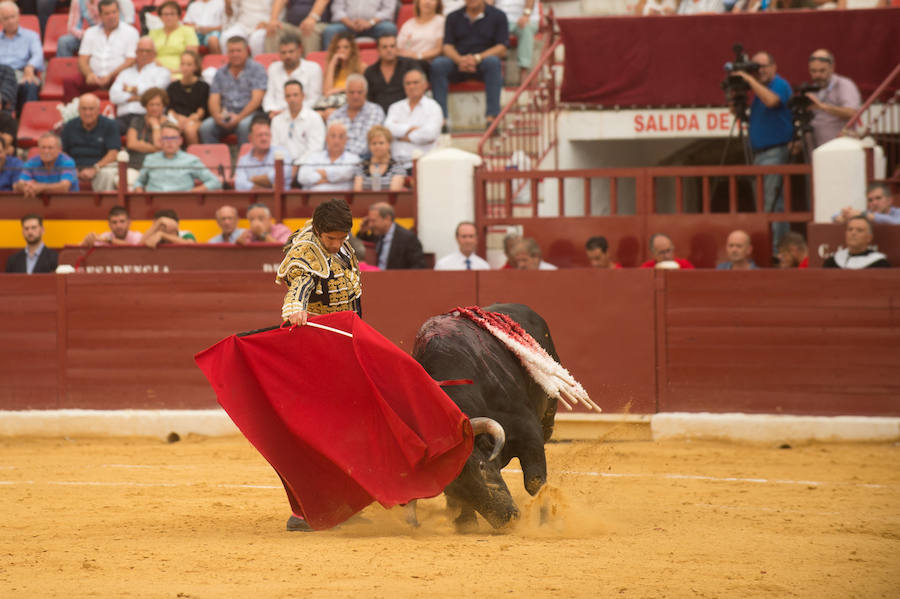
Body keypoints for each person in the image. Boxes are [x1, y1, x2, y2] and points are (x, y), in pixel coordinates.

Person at [731, 50, 793, 253]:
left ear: (774, 67)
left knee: (773, 203)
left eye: (763, 67)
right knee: (763, 203)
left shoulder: (779, 84)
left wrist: (749, 79)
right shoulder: (759, 90)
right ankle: (769, 246)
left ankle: (777, 251)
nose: (760, 71)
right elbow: (755, 118)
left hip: (775, 151)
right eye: (756, 68)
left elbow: (773, 101)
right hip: (759, 153)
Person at [431, 0, 508, 129]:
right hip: (458, 62)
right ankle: (441, 119)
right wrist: (459, 60)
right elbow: (447, 46)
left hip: (483, 62)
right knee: (438, 64)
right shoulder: (453, 16)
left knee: (493, 62)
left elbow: (501, 47)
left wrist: (477, 58)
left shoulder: (498, 16)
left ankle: (492, 118)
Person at [200, 36, 267, 146]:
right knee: (206, 127)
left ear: (246, 51)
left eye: (238, 51)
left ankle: (244, 161)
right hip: (225, 115)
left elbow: (256, 100)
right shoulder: (220, 72)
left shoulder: (257, 69)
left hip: (249, 115)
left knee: (243, 126)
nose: (235, 54)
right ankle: (217, 162)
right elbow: (214, 99)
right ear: (227, 53)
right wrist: (217, 116)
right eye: (231, 51)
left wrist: (239, 118)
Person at [66, 0, 139, 101]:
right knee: (70, 82)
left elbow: (131, 60)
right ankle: (74, 113)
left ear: (119, 12)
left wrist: (111, 75)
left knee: (125, 81)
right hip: (94, 77)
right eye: (107, 13)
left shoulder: (131, 32)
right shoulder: (90, 33)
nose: (111, 16)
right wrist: (89, 74)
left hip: (117, 76)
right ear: (100, 15)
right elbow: (82, 59)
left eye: (114, 12)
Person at [134, 122, 222, 192]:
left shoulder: (191, 160)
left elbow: (214, 182)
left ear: (180, 141)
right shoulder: (150, 159)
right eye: (166, 138)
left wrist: (192, 192)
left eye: (173, 138)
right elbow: (138, 182)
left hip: (182, 204)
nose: (170, 142)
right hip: (154, 204)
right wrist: (141, 194)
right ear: (160, 141)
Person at [61, 93, 122, 192]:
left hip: (102, 167)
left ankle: (103, 205)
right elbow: (63, 153)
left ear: (98, 110)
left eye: (91, 109)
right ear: (78, 110)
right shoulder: (69, 126)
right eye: (84, 109)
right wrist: (71, 168)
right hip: (74, 167)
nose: (87, 113)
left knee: (106, 174)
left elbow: (113, 153)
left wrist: (95, 168)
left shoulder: (110, 125)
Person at [109, 37, 172, 133]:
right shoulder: (125, 73)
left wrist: (130, 89)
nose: (144, 54)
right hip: (123, 118)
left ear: (155, 54)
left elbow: (154, 93)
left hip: (146, 117)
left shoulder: (162, 72)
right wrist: (134, 98)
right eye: (141, 50)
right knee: (108, 128)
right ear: (136, 52)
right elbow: (113, 95)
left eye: (148, 51)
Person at [384, 68, 442, 170]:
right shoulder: (395, 107)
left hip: (424, 165)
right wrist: (412, 129)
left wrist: (401, 136)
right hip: (396, 165)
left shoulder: (433, 107)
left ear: (425, 85)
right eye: (408, 83)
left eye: (415, 82)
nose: (411, 86)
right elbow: (388, 129)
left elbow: (429, 134)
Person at [271, 79, 326, 182]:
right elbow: (275, 147)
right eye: (288, 96)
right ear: (284, 98)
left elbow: (315, 149)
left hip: (308, 165)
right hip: (283, 165)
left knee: (305, 176)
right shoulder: (276, 121)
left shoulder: (314, 118)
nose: (292, 99)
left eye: (295, 95)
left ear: (303, 96)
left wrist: (297, 165)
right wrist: (287, 166)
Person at [806, 49, 861, 148]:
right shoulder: (811, 89)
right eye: (813, 71)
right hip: (817, 149)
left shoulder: (844, 85)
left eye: (822, 70)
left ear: (832, 68)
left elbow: (852, 113)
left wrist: (823, 107)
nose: (817, 75)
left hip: (841, 149)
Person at [326, 74, 385, 157]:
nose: (355, 96)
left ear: (366, 92)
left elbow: (366, 145)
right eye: (352, 92)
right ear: (346, 93)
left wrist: (345, 155)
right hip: (337, 160)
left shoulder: (375, 111)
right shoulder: (336, 115)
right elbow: (329, 143)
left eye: (359, 92)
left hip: (363, 162)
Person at [264, 34, 323, 116]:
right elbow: (269, 95)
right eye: (283, 52)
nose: (287, 56)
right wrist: (271, 110)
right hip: (275, 114)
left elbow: (314, 99)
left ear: (300, 50)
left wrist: (289, 112)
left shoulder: (313, 68)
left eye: (291, 52)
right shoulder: (273, 68)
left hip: (304, 113)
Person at [0, 1, 43, 114]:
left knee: (31, 85)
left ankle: (29, 121)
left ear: (18, 16)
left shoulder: (31, 36)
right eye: (6, 18)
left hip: (21, 73)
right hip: (1, 75)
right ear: (0, 21)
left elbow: (38, 55)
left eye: (12, 17)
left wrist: (30, 66)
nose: (10, 21)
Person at [356, 201, 426, 269]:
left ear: (387, 218)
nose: (370, 225)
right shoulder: (375, 234)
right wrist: (362, 232)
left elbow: (418, 266)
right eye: (369, 221)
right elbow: (358, 250)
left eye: (373, 221)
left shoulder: (408, 238)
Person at [57, 0, 135, 58]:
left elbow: (126, 22)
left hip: (114, 32)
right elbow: (72, 27)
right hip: (91, 34)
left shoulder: (118, 2)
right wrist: (87, 34)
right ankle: (64, 73)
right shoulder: (78, 1)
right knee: (64, 41)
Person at [124, 87, 169, 188]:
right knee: (126, 182)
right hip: (135, 166)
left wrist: (155, 126)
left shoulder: (169, 124)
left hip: (158, 167)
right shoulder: (136, 121)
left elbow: (162, 147)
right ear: (145, 106)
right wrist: (155, 149)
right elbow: (131, 144)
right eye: (151, 104)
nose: (154, 108)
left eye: (158, 104)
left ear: (163, 106)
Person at [234, 116, 292, 191]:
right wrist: (265, 188)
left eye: (267, 135)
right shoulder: (243, 160)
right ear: (250, 138)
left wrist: (252, 179)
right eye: (260, 135)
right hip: (253, 200)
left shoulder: (282, 153)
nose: (264, 138)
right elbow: (239, 184)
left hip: (279, 200)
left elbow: (281, 176)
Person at [297, 120, 360, 190]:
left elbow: (345, 174)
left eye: (341, 137)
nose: (336, 141)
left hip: (341, 199)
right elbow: (302, 177)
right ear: (326, 138)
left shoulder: (353, 159)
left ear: (346, 140)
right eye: (333, 136)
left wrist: (320, 174)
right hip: (314, 198)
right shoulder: (314, 157)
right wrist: (333, 180)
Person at [364, 34, 417, 114]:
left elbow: (418, 90)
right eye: (384, 47)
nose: (389, 50)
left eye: (392, 46)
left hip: (407, 114)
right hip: (378, 116)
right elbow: (367, 99)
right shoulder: (370, 72)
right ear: (378, 50)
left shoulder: (410, 66)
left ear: (397, 48)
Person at [166, 50, 209, 146]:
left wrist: (191, 119)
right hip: (176, 119)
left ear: (196, 67)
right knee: (169, 130)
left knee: (190, 130)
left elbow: (203, 109)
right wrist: (177, 118)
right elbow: (169, 108)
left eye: (189, 65)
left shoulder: (203, 86)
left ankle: (194, 158)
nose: (185, 68)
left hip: (196, 119)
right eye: (182, 64)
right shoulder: (173, 86)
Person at [15, 133, 79, 196]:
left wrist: (41, 187)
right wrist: (25, 187)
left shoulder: (67, 162)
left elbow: (64, 187)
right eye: (43, 147)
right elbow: (18, 185)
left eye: (50, 148)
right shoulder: (31, 163)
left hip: (67, 203)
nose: (46, 151)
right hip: (38, 204)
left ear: (59, 150)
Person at [317, 31, 365, 115]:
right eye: (338, 48)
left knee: (329, 112)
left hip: (349, 101)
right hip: (330, 101)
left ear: (352, 49)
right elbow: (327, 91)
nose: (341, 50)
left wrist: (339, 89)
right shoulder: (332, 69)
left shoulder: (361, 67)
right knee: (318, 114)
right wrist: (332, 63)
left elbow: (362, 89)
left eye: (346, 47)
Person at [149, 1, 199, 78]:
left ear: (179, 16)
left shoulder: (188, 31)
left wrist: (172, 71)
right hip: (156, 70)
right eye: (165, 14)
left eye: (172, 14)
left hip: (180, 72)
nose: (169, 17)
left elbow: (191, 57)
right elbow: (148, 55)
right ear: (160, 17)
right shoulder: (153, 33)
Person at [322, 0, 398, 50]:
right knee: (330, 31)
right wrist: (350, 23)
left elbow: (388, 10)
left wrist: (370, 23)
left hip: (375, 25)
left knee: (390, 29)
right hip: (348, 25)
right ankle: (329, 64)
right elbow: (337, 8)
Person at [262, 0, 331, 55]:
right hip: (292, 25)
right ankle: (273, 67)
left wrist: (312, 18)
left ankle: (310, 68)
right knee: (273, 29)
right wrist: (273, 19)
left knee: (309, 31)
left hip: (317, 23)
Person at [491, 0, 538, 81]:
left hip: (522, 18)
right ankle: (493, 66)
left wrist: (526, 15)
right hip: (499, 19)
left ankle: (524, 69)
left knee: (526, 28)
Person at [823, 216, 891, 269]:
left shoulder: (880, 264)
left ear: (869, 238)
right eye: (850, 229)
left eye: (859, 230)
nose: (853, 233)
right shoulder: (832, 263)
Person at [353, 125, 406, 191]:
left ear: (388, 144)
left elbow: (394, 192)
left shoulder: (397, 166)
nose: (377, 146)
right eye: (374, 143)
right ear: (369, 145)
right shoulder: (361, 165)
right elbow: (357, 192)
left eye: (381, 143)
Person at [397, 0, 445, 65]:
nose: (427, 2)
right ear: (418, 2)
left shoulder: (441, 21)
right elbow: (399, 47)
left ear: (438, 3)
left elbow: (439, 49)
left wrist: (417, 56)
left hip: (425, 62)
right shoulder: (408, 24)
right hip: (405, 61)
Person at [833, 183, 900, 226]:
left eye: (878, 198)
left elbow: (896, 222)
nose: (874, 203)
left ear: (889, 200)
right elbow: (834, 216)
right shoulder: (867, 213)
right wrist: (844, 215)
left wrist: (864, 216)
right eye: (870, 200)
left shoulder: (898, 212)